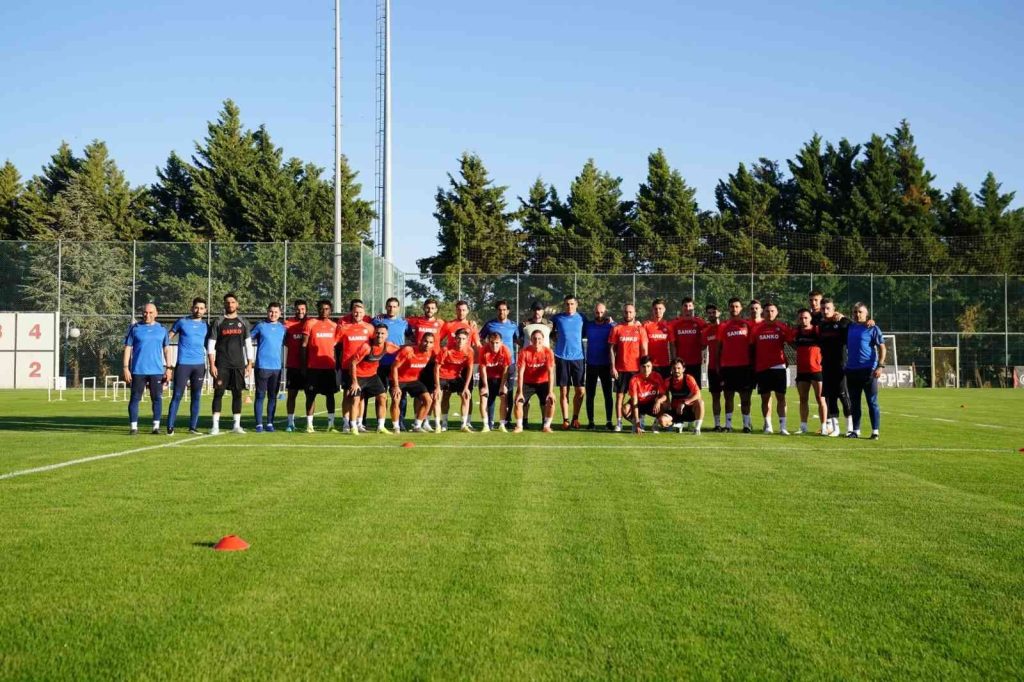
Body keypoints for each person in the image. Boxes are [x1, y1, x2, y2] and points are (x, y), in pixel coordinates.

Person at [206, 293, 253, 435]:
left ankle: (236, 425)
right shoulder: (218, 322)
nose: (230, 305)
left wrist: (249, 364)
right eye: (227, 302)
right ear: (224, 304)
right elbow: (211, 344)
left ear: (237, 304)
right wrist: (212, 364)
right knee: (218, 393)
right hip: (222, 364)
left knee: (237, 394)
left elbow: (248, 344)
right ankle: (215, 426)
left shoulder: (243, 322)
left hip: (238, 364)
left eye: (232, 302)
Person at [122, 303, 172, 435]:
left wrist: (169, 368)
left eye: (150, 312)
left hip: (156, 371)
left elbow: (167, 349)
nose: (147, 315)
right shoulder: (135, 328)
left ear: (156, 314)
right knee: (135, 398)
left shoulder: (162, 329)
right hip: (138, 370)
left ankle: (156, 427)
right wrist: (126, 368)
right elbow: (128, 348)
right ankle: (133, 427)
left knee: (157, 399)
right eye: (145, 312)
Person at [166, 297, 208, 435]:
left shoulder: (206, 326)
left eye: (201, 308)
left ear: (205, 310)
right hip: (183, 364)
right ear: (192, 308)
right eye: (196, 307)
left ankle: (193, 427)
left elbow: (211, 345)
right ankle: (170, 427)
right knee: (177, 395)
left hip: (199, 365)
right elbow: (167, 338)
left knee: (196, 396)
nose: (198, 310)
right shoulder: (182, 322)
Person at [347, 322, 398, 434]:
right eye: (377, 333)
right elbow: (353, 363)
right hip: (359, 376)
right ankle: (353, 427)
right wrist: (354, 382)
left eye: (382, 333)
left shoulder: (388, 346)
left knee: (383, 397)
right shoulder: (366, 347)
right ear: (374, 334)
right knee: (356, 400)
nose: (380, 335)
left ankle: (381, 426)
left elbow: (400, 349)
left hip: (372, 376)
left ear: (387, 335)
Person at [845, 303, 886, 439]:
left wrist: (880, 366)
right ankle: (856, 430)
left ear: (866, 313)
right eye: (855, 312)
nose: (857, 314)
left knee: (872, 401)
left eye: (860, 312)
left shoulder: (872, 328)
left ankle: (875, 431)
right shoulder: (849, 327)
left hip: (868, 370)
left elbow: (882, 348)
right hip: (851, 370)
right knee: (854, 402)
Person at [479, 299, 522, 425]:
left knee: (508, 393)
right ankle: (490, 421)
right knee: (491, 394)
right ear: (496, 311)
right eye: (499, 310)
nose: (502, 312)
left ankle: (506, 420)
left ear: (508, 311)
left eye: (504, 310)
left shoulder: (513, 325)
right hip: (493, 364)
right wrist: (486, 350)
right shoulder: (490, 325)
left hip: (509, 363)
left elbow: (518, 341)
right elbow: (480, 338)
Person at [753, 302, 793, 435]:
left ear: (777, 312)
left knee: (781, 397)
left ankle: (783, 427)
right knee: (765, 398)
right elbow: (752, 347)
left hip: (778, 367)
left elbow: (793, 343)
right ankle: (768, 426)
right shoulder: (757, 329)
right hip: (762, 367)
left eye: (772, 311)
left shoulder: (782, 327)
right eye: (767, 311)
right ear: (763, 313)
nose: (769, 313)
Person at [608, 303, 648, 432]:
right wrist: (613, 367)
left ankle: (639, 421)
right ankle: (619, 423)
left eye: (631, 312)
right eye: (626, 312)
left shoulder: (640, 329)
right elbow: (612, 349)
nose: (628, 314)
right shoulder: (617, 328)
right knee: (619, 397)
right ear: (623, 313)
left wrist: (644, 368)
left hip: (636, 370)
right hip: (621, 369)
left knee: (639, 397)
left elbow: (644, 350)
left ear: (635, 313)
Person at [301, 300, 340, 432]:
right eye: (322, 308)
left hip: (329, 368)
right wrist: (304, 366)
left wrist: (338, 365)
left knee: (330, 396)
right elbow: (304, 345)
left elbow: (337, 347)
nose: (324, 311)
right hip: (313, 368)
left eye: (327, 309)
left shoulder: (334, 326)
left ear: (331, 310)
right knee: (310, 396)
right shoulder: (310, 323)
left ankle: (331, 425)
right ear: (317, 309)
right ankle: (309, 425)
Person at [335, 299, 374, 432]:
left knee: (361, 396)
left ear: (364, 313)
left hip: (363, 368)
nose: (358, 314)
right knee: (348, 395)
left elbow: (374, 345)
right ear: (352, 312)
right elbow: (335, 343)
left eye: (360, 312)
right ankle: (346, 423)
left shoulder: (369, 328)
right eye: (355, 312)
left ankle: (359, 423)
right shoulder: (344, 327)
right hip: (347, 366)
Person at [817, 298, 854, 437]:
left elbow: (854, 325)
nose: (825, 311)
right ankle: (835, 429)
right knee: (830, 397)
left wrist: (844, 317)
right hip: (827, 365)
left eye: (828, 308)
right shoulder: (822, 325)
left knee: (843, 395)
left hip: (841, 365)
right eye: (823, 308)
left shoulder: (842, 322)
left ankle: (850, 427)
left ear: (834, 309)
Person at [717, 297, 755, 433]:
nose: (734, 309)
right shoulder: (723, 326)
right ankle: (728, 425)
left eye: (737, 306)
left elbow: (752, 346)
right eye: (732, 306)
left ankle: (746, 425)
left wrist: (752, 364)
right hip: (727, 367)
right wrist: (718, 365)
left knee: (745, 398)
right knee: (728, 397)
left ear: (741, 308)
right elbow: (719, 347)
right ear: (728, 308)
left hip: (744, 367)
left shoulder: (747, 325)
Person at [406, 299, 445, 430]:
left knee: (431, 394)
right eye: (428, 307)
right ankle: (417, 420)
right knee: (419, 394)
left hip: (432, 362)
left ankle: (426, 421)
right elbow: (400, 320)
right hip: (417, 361)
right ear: (424, 308)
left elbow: (455, 327)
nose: (430, 310)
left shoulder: (440, 323)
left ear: (436, 310)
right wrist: (380, 317)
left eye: (433, 308)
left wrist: (470, 323)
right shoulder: (415, 321)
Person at [550, 294, 586, 429]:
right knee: (564, 391)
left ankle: (575, 418)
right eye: (567, 304)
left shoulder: (582, 318)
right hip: (561, 357)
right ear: (564, 305)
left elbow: (593, 326)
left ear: (576, 305)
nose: (569, 306)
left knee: (580, 391)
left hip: (578, 358)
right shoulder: (557, 318)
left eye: (572, 304)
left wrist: (610, 321)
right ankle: (566, 420)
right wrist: (554, 337)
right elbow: (547, 328)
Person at [250, 302, 286, 432]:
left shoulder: (283, 328)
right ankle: (259, 424)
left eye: (276, 312)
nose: (273, 314)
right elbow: (247, 339)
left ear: (280, 313)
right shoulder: (260, 326)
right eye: (271, 311)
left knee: (272, 396)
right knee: (260, 395)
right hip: (262, 366)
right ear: (267, 312)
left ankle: (270, 423)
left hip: (276, 368)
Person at [791, 308, 828, 435]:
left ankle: (824, 426)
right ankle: (803, 427)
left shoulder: (817, 331)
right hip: (802, 371)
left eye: (806, 317)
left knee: (820, 399)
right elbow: (792, 343)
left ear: (811, 318)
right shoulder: (796, 332)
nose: (803, 320)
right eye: (801, 318)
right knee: (803, 399)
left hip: (816, 370)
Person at [390, 333, 436, 432]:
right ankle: (395, 426)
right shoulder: (408, 350)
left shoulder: (431, 353)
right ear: (420, 341)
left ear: (433, 344)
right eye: (425, 341)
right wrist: (396, 386)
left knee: (428, 400)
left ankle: (417, 426)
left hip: (413, 380)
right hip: (399, 380)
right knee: (396, 400)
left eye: (430, 342)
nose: (427, 344)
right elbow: (394, 367)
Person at [374, 297, 409, 427]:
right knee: (380, 394)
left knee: (400, 395)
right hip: (380, 363)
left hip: (398, 365)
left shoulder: (404, 323)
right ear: (385, 307)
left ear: (398, 308)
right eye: (389, 306)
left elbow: (411, 338)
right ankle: (380, 422)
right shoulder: (377, 321)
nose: (391, 309)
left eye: (394, 306)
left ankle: (399, 422)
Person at [513, 329, 555, 433]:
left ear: (543, 340)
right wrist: (520, 392)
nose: (537, 341)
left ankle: (546, 426)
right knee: (518, 401)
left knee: (551, 401)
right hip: (528, 382)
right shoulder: (524, 352)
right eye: (534, 338)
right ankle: (519, 426)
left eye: (539, 338)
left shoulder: (548, 352)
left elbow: (551, 372)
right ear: (531, 340)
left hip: (543, 382)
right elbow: (520, 373)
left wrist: (550, 392)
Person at [434, 327, 475, 431]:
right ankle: (441, 424)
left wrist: (466, 387)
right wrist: (437, 387)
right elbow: (436, 368)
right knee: (441, 397)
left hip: (456, 378)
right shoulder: (445, 350)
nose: (461, 341)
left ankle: (463, 425)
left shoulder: (469, 351)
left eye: (463, 339)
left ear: (467, 340)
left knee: (466, 396)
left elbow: (470, 369)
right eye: (459, 338)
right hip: (442, 377)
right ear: (455, 339)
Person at [583, 302, 616, 430]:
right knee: (590, 395)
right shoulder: (588, 326)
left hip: (606, 365)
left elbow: (621, 328)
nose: (599, 315)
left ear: (606, 312)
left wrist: (613, 322)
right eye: (597, 312)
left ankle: (609, 422)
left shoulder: (611, 326)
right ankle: (591, 422)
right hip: (591, 365)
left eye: (602, 312)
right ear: (594, 312)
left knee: (608, 395)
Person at [622, 356, 669, 434]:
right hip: (639, 403)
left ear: (652, 367)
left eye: (648, 366)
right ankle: (637, 423)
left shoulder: (657, 376)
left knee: (665, 404)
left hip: (651, 403)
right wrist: (636, 421)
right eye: (643, 366)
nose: (646, 369)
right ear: (640, 367)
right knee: (625, 409)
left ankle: (655, 424)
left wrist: (658, 401)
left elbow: (664, 395)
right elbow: (635, 402)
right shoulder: (634, 379)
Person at [283, 299, 309, 432]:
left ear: (306, 310)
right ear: (294, 310)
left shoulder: (310, 323)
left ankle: (309, 423)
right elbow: (284, 341)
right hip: (293, 365)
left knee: (309, 395)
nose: (300, 311)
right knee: (292, 395)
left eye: (303, 309)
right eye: (298, 309)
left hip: (308, 366)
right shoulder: (288, 324)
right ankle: (290, 423)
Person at [477, 331, 512, 432]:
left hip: (500, 378)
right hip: (487, 377)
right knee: (483, 396)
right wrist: (485, 386)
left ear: (501, 342)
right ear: (488, 342)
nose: (494, 345)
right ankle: (485, 425)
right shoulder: (483, 350)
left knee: (503, 396)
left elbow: (506, 369)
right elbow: (482, 369)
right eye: (492, 342)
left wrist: (502, 385)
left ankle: (502, 424)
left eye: (497, 343)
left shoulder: (505, 350)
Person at [671, 297, 706, 387]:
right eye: (685, 306)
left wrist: (702, 353)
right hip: (680, 365)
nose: (687, 308)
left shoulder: (700, 323)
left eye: (690, 306)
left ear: (693, 307)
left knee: (695, 390)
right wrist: (674, 361)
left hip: (696, 363)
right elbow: (673, 345)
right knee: (681, 390)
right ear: (682, 307)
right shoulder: (675, 323)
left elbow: (706, 341)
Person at [701, 304, 724, 431]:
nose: (711, 315)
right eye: (709, 313)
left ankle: (729, 424)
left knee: (729, 396)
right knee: (716, 397)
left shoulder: (725, 327)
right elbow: (703, 347)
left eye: (714, 312)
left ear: (719, 313)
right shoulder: (706, 331)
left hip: (726, 367)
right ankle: (717, 424)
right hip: (712, 368)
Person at [667, 358, 704, 435]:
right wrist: (665, 402)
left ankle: (697, 429)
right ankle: (677, 424)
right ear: (671, 369)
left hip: (688, 409)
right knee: (662, 421)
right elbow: (663, 394)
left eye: (679, 368)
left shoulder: (688, 378)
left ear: (683, 369)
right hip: (675, 411)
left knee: (700, 402)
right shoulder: (668, 381)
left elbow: (698, 394)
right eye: (674, 368)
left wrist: (684, 403)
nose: (676, 370)